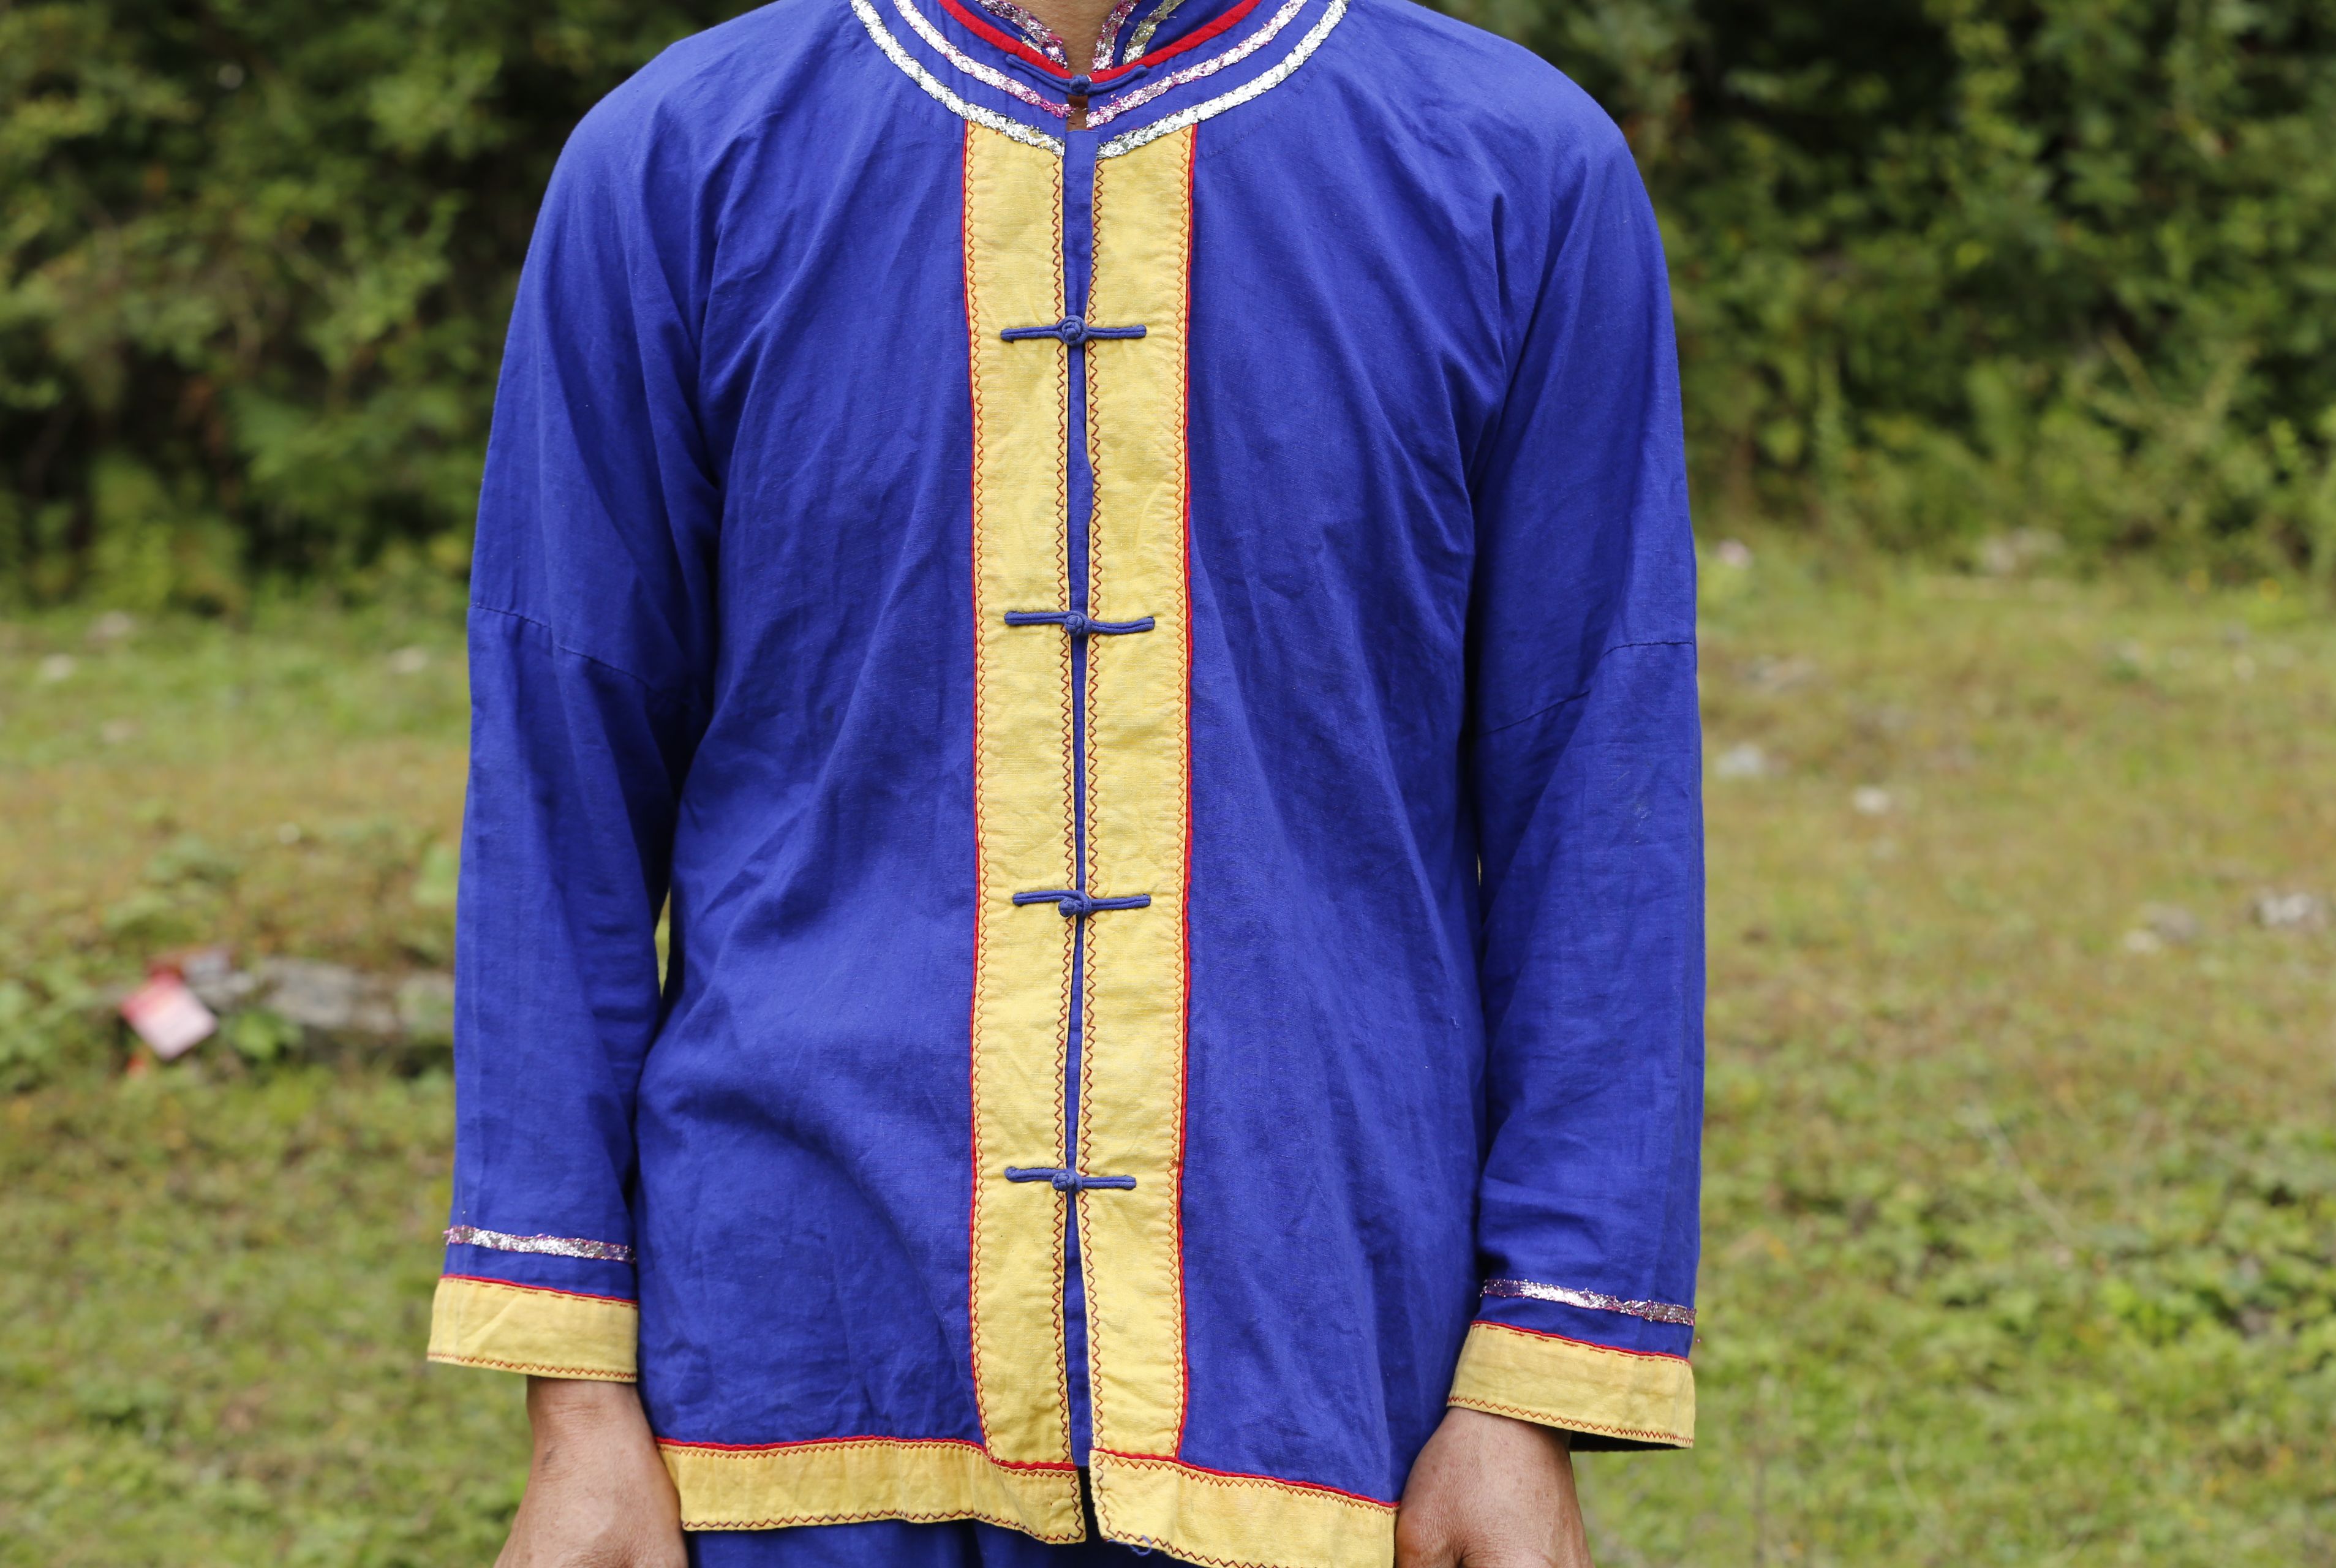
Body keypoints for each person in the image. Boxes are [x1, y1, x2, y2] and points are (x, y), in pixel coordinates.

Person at [426, 0, 1705, 1560]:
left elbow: (1602, 793)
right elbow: (558, 780)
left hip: (1324, 1366)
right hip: (785, 1379)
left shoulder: (1518, 168)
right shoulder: (678, 159)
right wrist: (575, 1400)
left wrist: (1528, 1390)